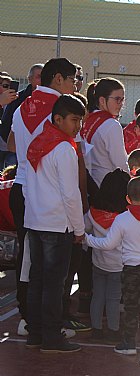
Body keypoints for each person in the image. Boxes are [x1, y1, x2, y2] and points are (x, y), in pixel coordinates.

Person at [9, 58, 76, 338]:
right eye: (73, 79)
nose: (75, 85)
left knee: (27, 259)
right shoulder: (62, 109)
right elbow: (74, 152)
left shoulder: (22, 105)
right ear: (58, 79)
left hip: (21, 185)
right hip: (48, 192)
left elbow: (12, 143)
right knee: (53, 265)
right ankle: (52, 324)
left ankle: (28, 318)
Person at [24, 94, 86, 353]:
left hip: (36, 220)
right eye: (74, 120)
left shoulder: (38, 142)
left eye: (80, 121)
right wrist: (79, 228)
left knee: (37, 280)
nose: (78, 127)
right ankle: (51, 336)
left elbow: (28, 185)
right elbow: (70, 193)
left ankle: (35, 333)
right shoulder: (63, 148)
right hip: (57, 223)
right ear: (58, 118)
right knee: (53, 284)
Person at [86, 176, 140, 355]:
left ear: (128, 199)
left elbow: (108, 244)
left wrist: (87, 239)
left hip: (131, 269)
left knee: (131, 307)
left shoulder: (122, 219)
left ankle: (129, 343)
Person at [85, 168, 130, 344]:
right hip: (119, 264)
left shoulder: (93, 212)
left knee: (97, 296)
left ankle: (96, 328)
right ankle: (114, 329)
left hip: (98, 262)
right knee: (113, 298)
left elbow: (85, 228)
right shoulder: (125, 216)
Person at [82, 77, 129, 186]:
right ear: (102, 100)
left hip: (90, 184)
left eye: (122, 99)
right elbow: (120, 163)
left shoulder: (87, 119)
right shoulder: (112, 125)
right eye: (117, 99)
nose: (121, 104)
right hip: (108, 187)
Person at [0, 63, 43, 147]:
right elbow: (6, 124)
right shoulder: (18, 98)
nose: (42, 80)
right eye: (39, 77)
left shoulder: (52, 99)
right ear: (29, 79)